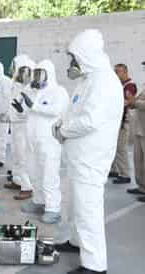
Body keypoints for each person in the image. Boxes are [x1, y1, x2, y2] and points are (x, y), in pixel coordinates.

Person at [52, 29, 124, 274]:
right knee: (76, 206)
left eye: (75, 57)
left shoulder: (104, 81)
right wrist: (60, 123)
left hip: (91, 159)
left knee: (88, 210)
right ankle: (76, 241)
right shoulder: (87, 80)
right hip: (78, 157)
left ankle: (94, 265)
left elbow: (90, 120)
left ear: (87, 55)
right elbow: (73, 112)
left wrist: (64, 130)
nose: (73, 63)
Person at [18, 60, 69, 224]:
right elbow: (30, 111)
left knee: (49, 174)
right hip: (32, 140)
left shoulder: (58, 91)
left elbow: (57, 110)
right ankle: (39, 200)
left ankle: (53, 208)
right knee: (34, 171)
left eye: (41, 73)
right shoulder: (34, 91)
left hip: (49, 142)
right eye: (36, 73)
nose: (37, 77)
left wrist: (34, 106)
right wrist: (22, 110)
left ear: (49, 73)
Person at [4, 55, 35, 197]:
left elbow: (30, 108)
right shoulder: (15, 84)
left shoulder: (31, 87)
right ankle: (17, 180)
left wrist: (19, 112)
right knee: (16, 155)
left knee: (23, 156)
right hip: (15, 125)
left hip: (24, 126)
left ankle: (27, 187)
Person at [110, 64, 137, 184]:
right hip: (117, 121)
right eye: (115, 71)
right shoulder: (120, 85)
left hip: (123, 121)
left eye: (118, 72)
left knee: (121, 149)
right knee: (114, 148)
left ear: (125, 72)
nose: (116, 74)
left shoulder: (129, 85)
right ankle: (115, 170)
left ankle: (125, 174)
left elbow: (127, 102)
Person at [126, 61, 145, 202]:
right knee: (138, 161)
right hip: (140, 128)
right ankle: (142, 187)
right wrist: (132, 103)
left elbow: (139, 102)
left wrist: (134, 102)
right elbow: (137, 101)